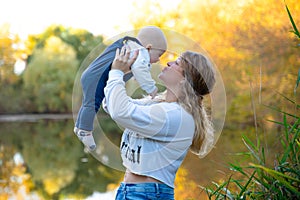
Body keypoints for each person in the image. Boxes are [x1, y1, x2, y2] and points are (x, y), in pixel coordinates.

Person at [103, 46, 216, 200]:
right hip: (132, 191)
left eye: (177, 63)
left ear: (184, 79)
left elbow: (119, 111)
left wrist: (116, 73)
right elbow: (110, 104)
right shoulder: (156, 105)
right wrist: (123, 73)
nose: (168, 63)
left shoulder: (175, 116)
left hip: (146, 194)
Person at [74, 26, 167, 151]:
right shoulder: (140, 51)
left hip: (93, 75)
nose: (158, 59)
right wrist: (151, 88)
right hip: (97, 77)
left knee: (88, 102)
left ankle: (79, 126)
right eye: (159, 54)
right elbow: (140, 69)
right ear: (149, 47)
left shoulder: (129, 45)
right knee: (92, 103)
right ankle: (85, 130)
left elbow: (136, 68)